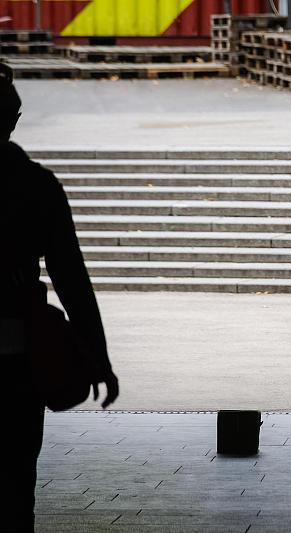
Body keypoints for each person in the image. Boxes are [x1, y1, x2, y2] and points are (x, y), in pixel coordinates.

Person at [0, 63, 119, 530]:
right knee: (14, 484)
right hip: (19, 364)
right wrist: (98, 357)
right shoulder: (38, 187)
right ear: (12, 120)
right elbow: (71, 279)